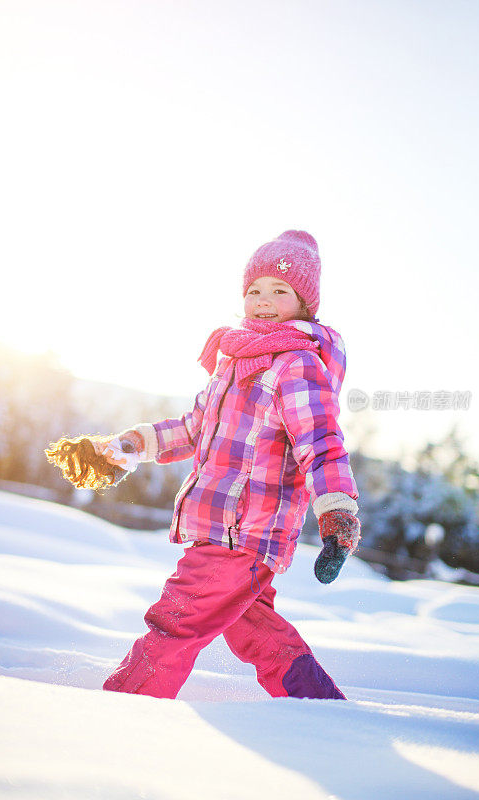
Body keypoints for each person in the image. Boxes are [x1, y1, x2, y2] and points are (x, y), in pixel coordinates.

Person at [46, 230, 360, 700]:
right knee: (254, 628)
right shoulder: (234, 359)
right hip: (222, 524)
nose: (264, 301)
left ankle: (121, 710)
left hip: (244, 528)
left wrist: (337, 508)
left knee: (178, 619)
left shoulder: (297, 364)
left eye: (280, 291)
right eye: (255, 290)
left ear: (305, 303)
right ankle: (320, 710)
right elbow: (195, 428)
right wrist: (130, 445)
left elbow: (320, 440)